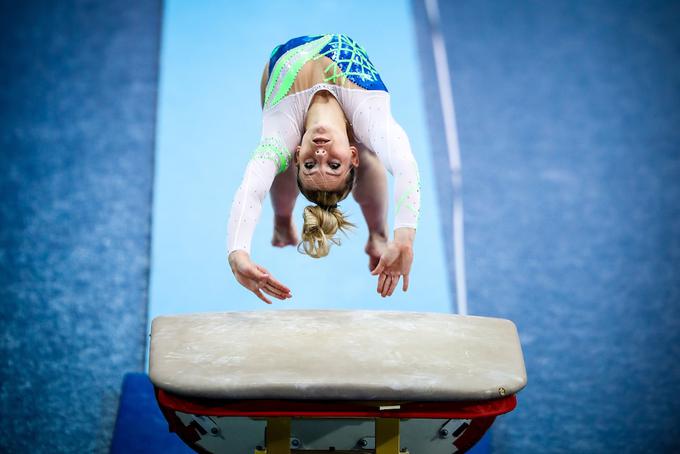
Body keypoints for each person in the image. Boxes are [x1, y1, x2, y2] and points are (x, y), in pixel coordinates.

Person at [226, 34, 420, 304]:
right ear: (350, 157)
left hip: (279, 73)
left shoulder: (281, 131)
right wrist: (404, 237)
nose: (320, 153)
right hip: (352, 102)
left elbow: (252, 187)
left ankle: (283, 221)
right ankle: (379, 233)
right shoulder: (369, 110)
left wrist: (237, 252)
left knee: (278, 161)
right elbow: (404, 164)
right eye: (333, 164)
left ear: (299, 157)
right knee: (367, 147)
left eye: (309, 164)